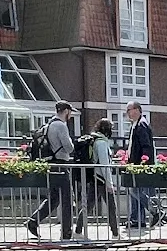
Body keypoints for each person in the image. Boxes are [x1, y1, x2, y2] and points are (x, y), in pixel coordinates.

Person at [26, 101, 76, 239]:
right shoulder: (61, 125)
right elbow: (69, 147)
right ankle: (66, 232)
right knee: (67, 198)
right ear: (66, 111)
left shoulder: (48, 125)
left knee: (54, 198)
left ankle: (33, 221)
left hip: (50, 163)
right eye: (70, 112)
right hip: (61, 165)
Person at [78, 117, 119, 236]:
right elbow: (104, 164)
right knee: (112, 206)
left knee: (89, 205)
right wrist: (109, 184)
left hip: (95, 178)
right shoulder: (101, 143)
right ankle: (115, 233)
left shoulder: (96, 140)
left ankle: (78, 230)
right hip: (102, 179)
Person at [124, 102, 156, 231]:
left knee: (136, 191)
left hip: (141, 166)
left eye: (129, 110)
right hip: (136, 164)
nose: (128, 113)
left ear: (137, 110)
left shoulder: (141, 125)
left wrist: (144, 163)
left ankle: (156, 212)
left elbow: (146, 146)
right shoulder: (136, 124)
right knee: (136, 191)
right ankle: (138, 219)